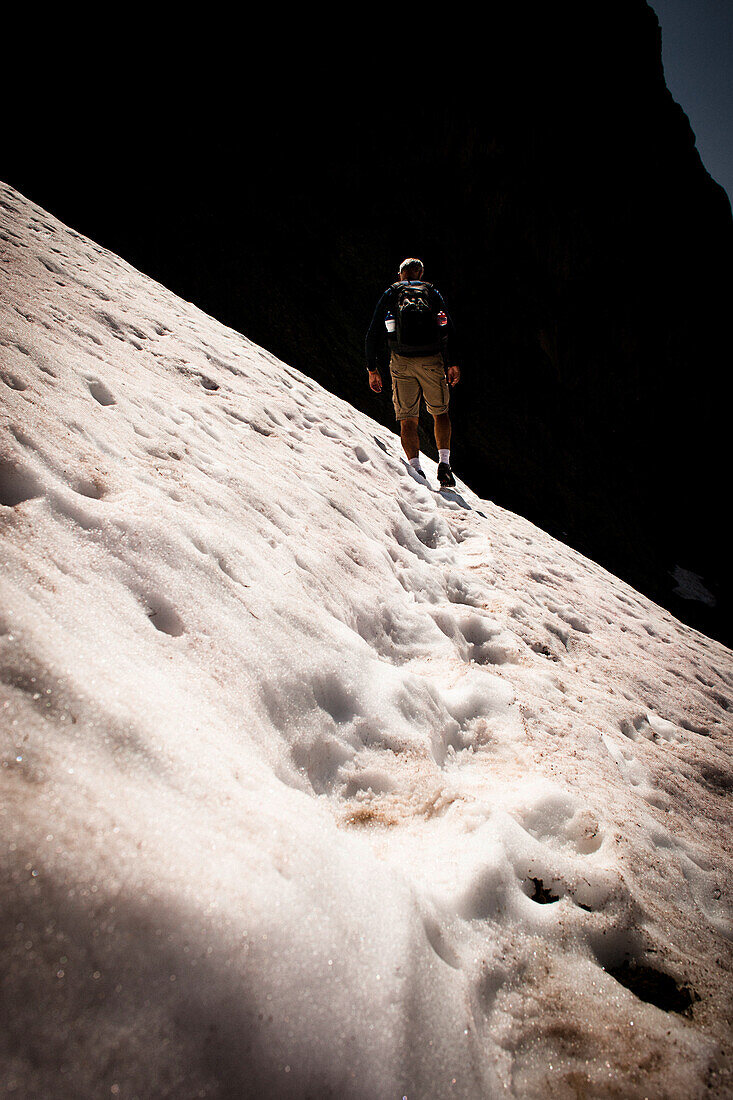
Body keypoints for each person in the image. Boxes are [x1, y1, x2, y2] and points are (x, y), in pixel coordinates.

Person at [365, 258, 460, 488]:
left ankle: (416, 469)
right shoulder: (432, 293)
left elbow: (372, 332)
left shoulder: (392, 292)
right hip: (432, 360)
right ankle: (444, 464)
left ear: (401, 274)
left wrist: (372, 369)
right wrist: (452, 363)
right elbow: (448, 329)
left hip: (401, 362)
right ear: (420, 273)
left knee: (407, 418)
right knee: (441, 413)